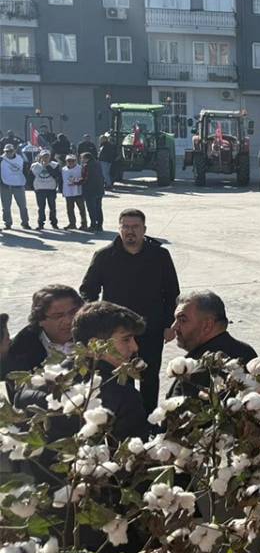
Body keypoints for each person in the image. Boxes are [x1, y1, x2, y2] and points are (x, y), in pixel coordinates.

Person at [69, 301, 155, 553]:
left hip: (66, 522)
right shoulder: (121, 394)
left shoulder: (54, 386)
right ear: (96, 344)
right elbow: (136, 464)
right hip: (117, 518)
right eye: (126, 339)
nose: (134, 348)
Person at [79, 208, 181, 412]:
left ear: (144, 229)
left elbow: (172, 293)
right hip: (117, 334)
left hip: (150, 330)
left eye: (135, 227)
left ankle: (149, 420)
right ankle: (125, 420)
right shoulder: (104, 256)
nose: (130, 231)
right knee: (120, 379)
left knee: (149, 377)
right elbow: (87, 291)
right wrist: (95, 324)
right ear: (119, 229)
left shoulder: (159, 255)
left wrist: (169, 325)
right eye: (125, 226)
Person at [0, 285, 82, 385]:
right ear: (40, 320)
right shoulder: (21, 348)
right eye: (58, 316)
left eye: (73, 312)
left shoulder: (95, 333)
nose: (68, 321)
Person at [1, 143, 29, 229]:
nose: (9, 153)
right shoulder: (1, 159)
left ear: (14, 151)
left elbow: (26, 169)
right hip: (5, 185)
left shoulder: (20, 158)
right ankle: (8, 223)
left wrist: (26, 181)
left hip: (19, 185)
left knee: (23, 206)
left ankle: (25, 223)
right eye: (7, 151)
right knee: (6, 207)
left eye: (11, 151)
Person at [30, 151, 59, 230]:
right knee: (41, 208)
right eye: (44, 156)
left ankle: (54, 223)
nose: (45, 158)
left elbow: (56, 175)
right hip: (40, 189)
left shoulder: (54, 165)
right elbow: (31, 177)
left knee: (52, 207)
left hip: (51, 189)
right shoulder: (35, 165)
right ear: (40, 156)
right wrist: (34, 188)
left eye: (47, 156)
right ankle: (40, 224)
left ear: (50, 157)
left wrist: (47, 166)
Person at [60, 154, 85, 230]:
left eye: (72, 161)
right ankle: (72, 224)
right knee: (70, 210)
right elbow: (61, 181)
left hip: (78, 192)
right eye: (68, 161)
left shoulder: (80, 168)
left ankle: (84, 224)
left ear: (75, 161)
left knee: (82, 210)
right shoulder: (63, 169)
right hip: (68, 193)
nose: (70, 162)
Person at [80, 152, 103, 232]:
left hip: (90, 190)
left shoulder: (87, 166)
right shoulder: (98, 164)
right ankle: (99, 225)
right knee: (98, 208)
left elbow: (85, 178)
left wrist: (76, 182)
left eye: (82, 158)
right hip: (99, 189)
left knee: (91, 208)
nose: (81, 160)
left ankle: (93, 225)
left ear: (87, 158)